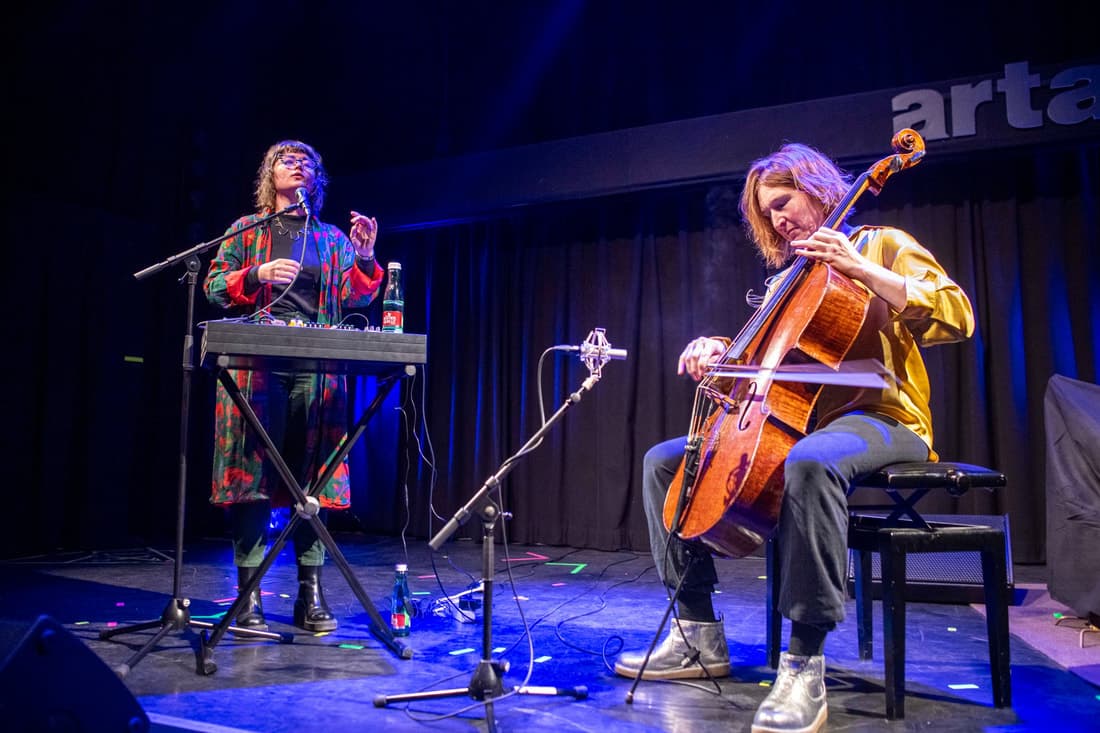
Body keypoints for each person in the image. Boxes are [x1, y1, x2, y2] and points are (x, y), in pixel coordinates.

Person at [613, 142, 975, 733]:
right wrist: (717, 354)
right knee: (663, 463)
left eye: (784, 203)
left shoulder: (879, 244)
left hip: (884, 420)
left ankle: (804, 662)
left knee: (811, 461)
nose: (779, 220)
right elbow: (758, 371)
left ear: (817, 187)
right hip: (794, 423)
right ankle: (696, 633)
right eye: (768, 214)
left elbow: (957, 316)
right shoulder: (790, 279)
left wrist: (863, 270)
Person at [203, 140, 384, 633]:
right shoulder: (246, 230)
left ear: (316, 178)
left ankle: (311, 595)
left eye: (307, 161)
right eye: (287, 159)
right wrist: (256, 272)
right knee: (252, 476)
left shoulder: (329, 239)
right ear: (269, 175)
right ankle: (248, 598)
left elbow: (359, 294)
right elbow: (214, 286)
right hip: (256, 366)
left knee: (314, 477)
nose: (298, 165)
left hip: (317, 367)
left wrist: (365, 257)